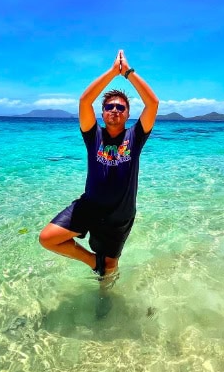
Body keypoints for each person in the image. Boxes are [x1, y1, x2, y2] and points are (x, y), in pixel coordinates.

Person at [39, 49, 158, 296]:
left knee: (111, 265)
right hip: (90, 206)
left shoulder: (135, 136)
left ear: (127, 114)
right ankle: (93, 262)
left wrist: (128, 73)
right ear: (102, 112)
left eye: (121, 107)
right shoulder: (93, 134)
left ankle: (105, 301)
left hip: (120, 214)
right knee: (48, 238)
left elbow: (153, 103)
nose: (115, 110)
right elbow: (84, 101)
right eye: (110, 106)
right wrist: (113, 72)